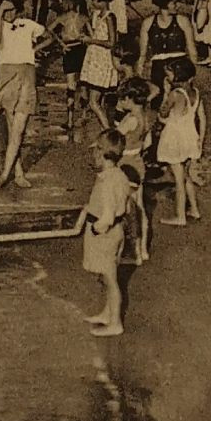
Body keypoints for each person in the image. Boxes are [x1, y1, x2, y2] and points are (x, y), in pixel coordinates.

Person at [0, 0, 52, 192]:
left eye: (11, 10)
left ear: (18, 8)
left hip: (27, 75)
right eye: (5, 11)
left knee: (19, 130)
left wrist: (34, 51)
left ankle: (4, 176)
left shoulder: (29, 24)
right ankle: (18, 173)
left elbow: (49, 36)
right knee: (13, 130)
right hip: (6, 76)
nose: (9, 15)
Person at [80, 129, 133, 338]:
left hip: (105, 234)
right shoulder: (119, 175)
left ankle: (116, 323)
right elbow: (126, 207)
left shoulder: (107, 182)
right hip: (117, 231)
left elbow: (108, 217)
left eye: (96, 152)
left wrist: (95, 228)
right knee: (107, 275)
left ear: (101, 154)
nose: (93, 156)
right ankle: (108, 313)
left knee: (110, 280)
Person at [155, 57, 205, 226]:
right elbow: (202, 119)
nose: (167, 75)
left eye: (169, 73)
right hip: (190, 136)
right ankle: (194, 210)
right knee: (186, 176)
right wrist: (200, 140)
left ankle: (180, 216)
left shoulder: (175, 94)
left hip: (174, 138)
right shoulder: (195, 93)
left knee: (178, 179)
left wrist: (164, 91)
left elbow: (162, 114)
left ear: (177, 75)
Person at [137, 0, 197, 91]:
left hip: (180, 68)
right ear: (164, 3)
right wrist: (140, 69)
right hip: (158, 69)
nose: (178, 5)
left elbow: (192, 49)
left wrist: (192, 73)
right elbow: (142, 53)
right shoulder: (148, 23)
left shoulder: (183, 21)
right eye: (174, 3)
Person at [78, 0, 121, 130]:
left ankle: (108, 132)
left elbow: (111, 42)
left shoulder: (110, 17)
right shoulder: (98, 16)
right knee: (96, 101)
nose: (92, 2)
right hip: (95, 60)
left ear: (103, 0)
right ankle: (105, 130)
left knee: (93, 102)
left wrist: (91, 41)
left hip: (102, 61)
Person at [48, 0, 89, 133]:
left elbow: (49, 30)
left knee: (71, 86)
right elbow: (91, 33)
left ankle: (70, 119)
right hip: (82, 48)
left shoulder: (62, 17)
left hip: (69, 49)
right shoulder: (83, 17)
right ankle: (83, 115)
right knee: (84, 83)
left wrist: (61, 43)